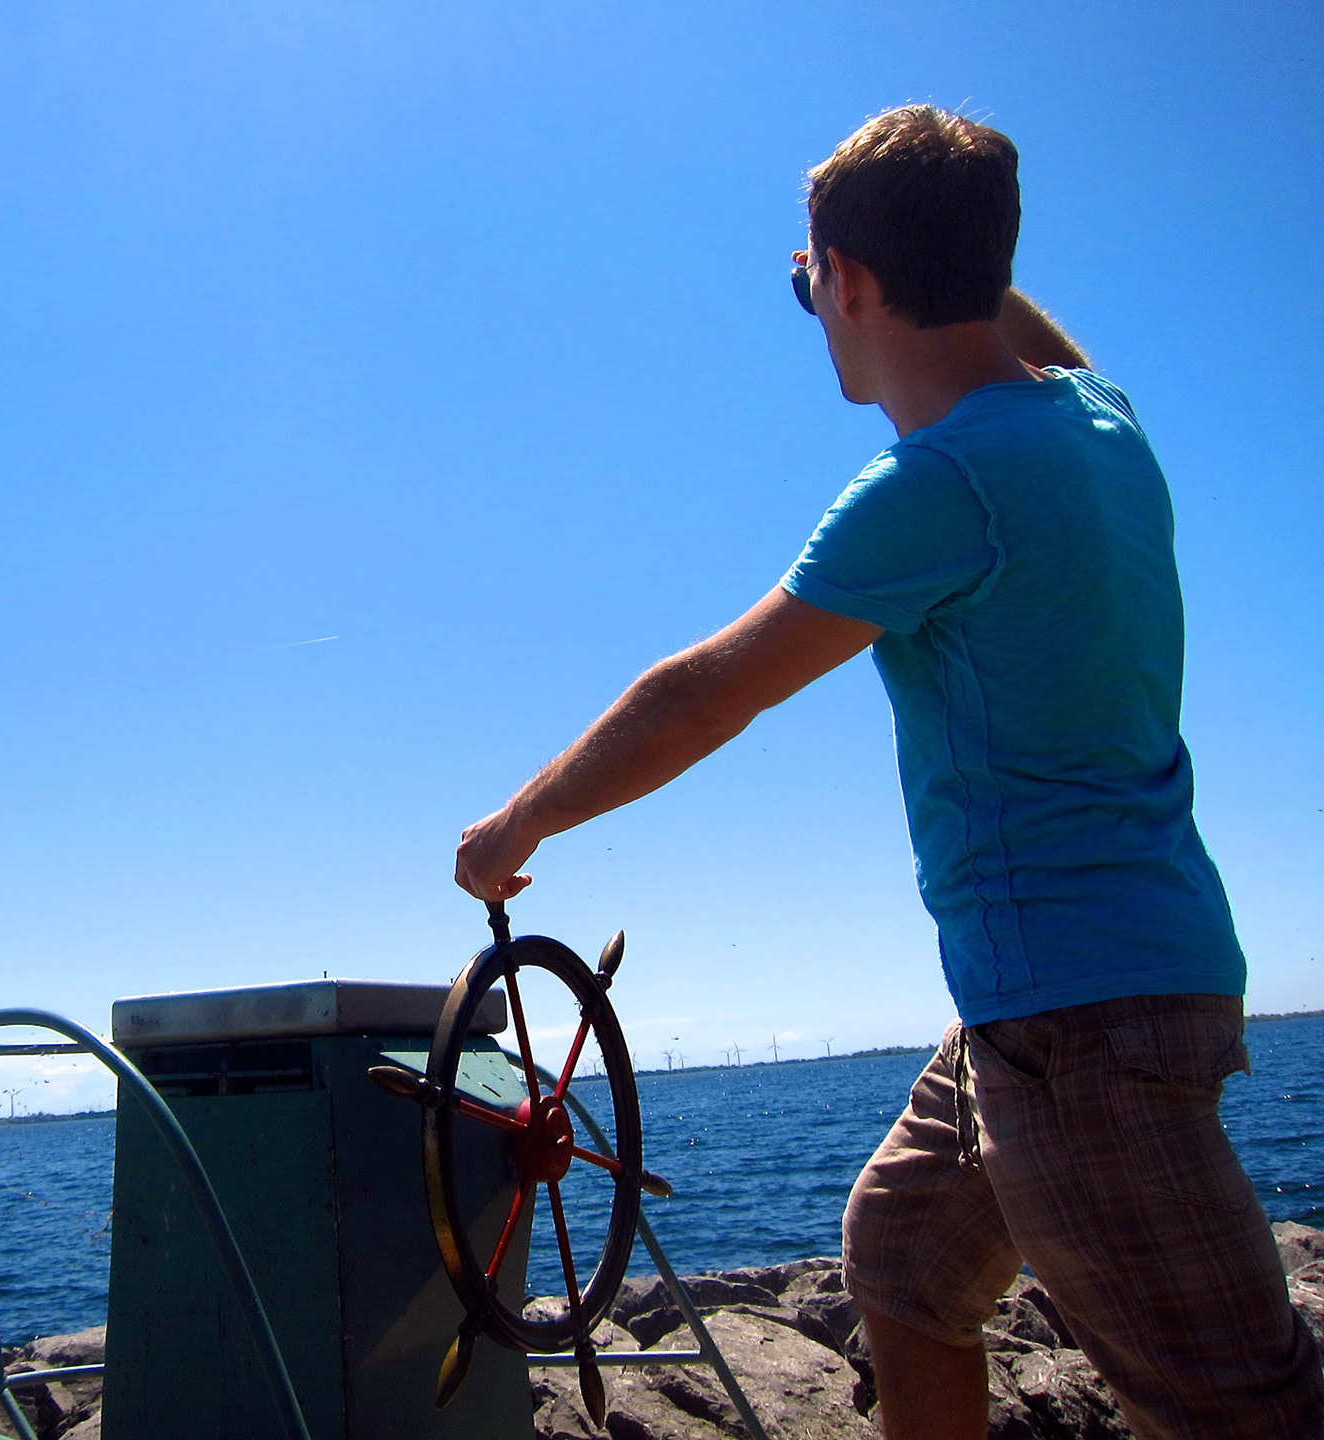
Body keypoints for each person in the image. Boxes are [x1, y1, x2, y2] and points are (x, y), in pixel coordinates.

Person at [453, 105, 1324, 1440]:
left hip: (1078, 1024)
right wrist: (932, 243)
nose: (812, 304)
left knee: (1245, 1409)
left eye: (815, 280)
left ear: (852, 282)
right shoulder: (1100, 425)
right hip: (1067, 996)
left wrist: (518, 822)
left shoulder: (939, 487)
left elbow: (704, 695)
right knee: (904, 1260)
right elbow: (1022, 334)